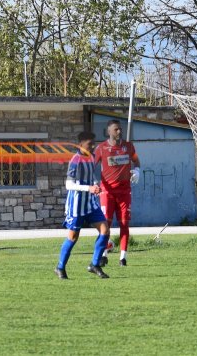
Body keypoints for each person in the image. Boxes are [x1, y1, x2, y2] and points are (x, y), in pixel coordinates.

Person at [55, 130, 111, 279]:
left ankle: (95, 264)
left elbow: (91, 175)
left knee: (105, 230)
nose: (92, 147)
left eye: (93, 144)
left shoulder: (92, 158)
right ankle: (60, 267)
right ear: (80, 144)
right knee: (73, 237)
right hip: (77, 205)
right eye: (89, 144)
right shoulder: (75, 160)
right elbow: (68, 185)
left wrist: (95, 184)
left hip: (90, 204)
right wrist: (88, 188)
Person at [94, 119, 141, 266]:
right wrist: (93, 182)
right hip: (107, 193)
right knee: (105, 224)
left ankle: (123, 257)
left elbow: (136, 161)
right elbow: (90, 165)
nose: (119, 132)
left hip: (124, 192)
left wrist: (137, 171)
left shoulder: (128, 147)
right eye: (116, 129)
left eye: (120, 129)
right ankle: (104, 254)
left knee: (124, 224)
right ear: (109, 132)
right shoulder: (101, 148)